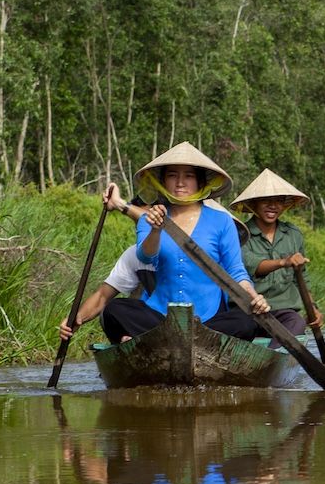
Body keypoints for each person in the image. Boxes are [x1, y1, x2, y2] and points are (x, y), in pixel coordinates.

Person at [57, 143, 270, 345]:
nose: (180, 182)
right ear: (163, 181)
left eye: (188, 176)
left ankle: (166, 342)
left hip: (208, 322)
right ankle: (156, 339)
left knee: (247, 321)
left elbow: (236, 271)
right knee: (114, 309)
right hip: (159, 319)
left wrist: (254, 299)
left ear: (199, 182)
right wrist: (75, 320)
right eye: (172, 175)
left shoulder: (221, 221)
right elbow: (146, 257)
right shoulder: (147, 219)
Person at [230, 168, 321, 338]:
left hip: (283, 311)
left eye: (278, 201)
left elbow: (302, 278)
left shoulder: (293, 234)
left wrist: (313, 308)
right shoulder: (240, 234)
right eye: (266, 200)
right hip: (249, 309)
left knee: (297, 323)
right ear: (254, 204)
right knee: (242, 325)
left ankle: (273, 359)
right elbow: (253, 266)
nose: (272, 206)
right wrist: (284, 262)